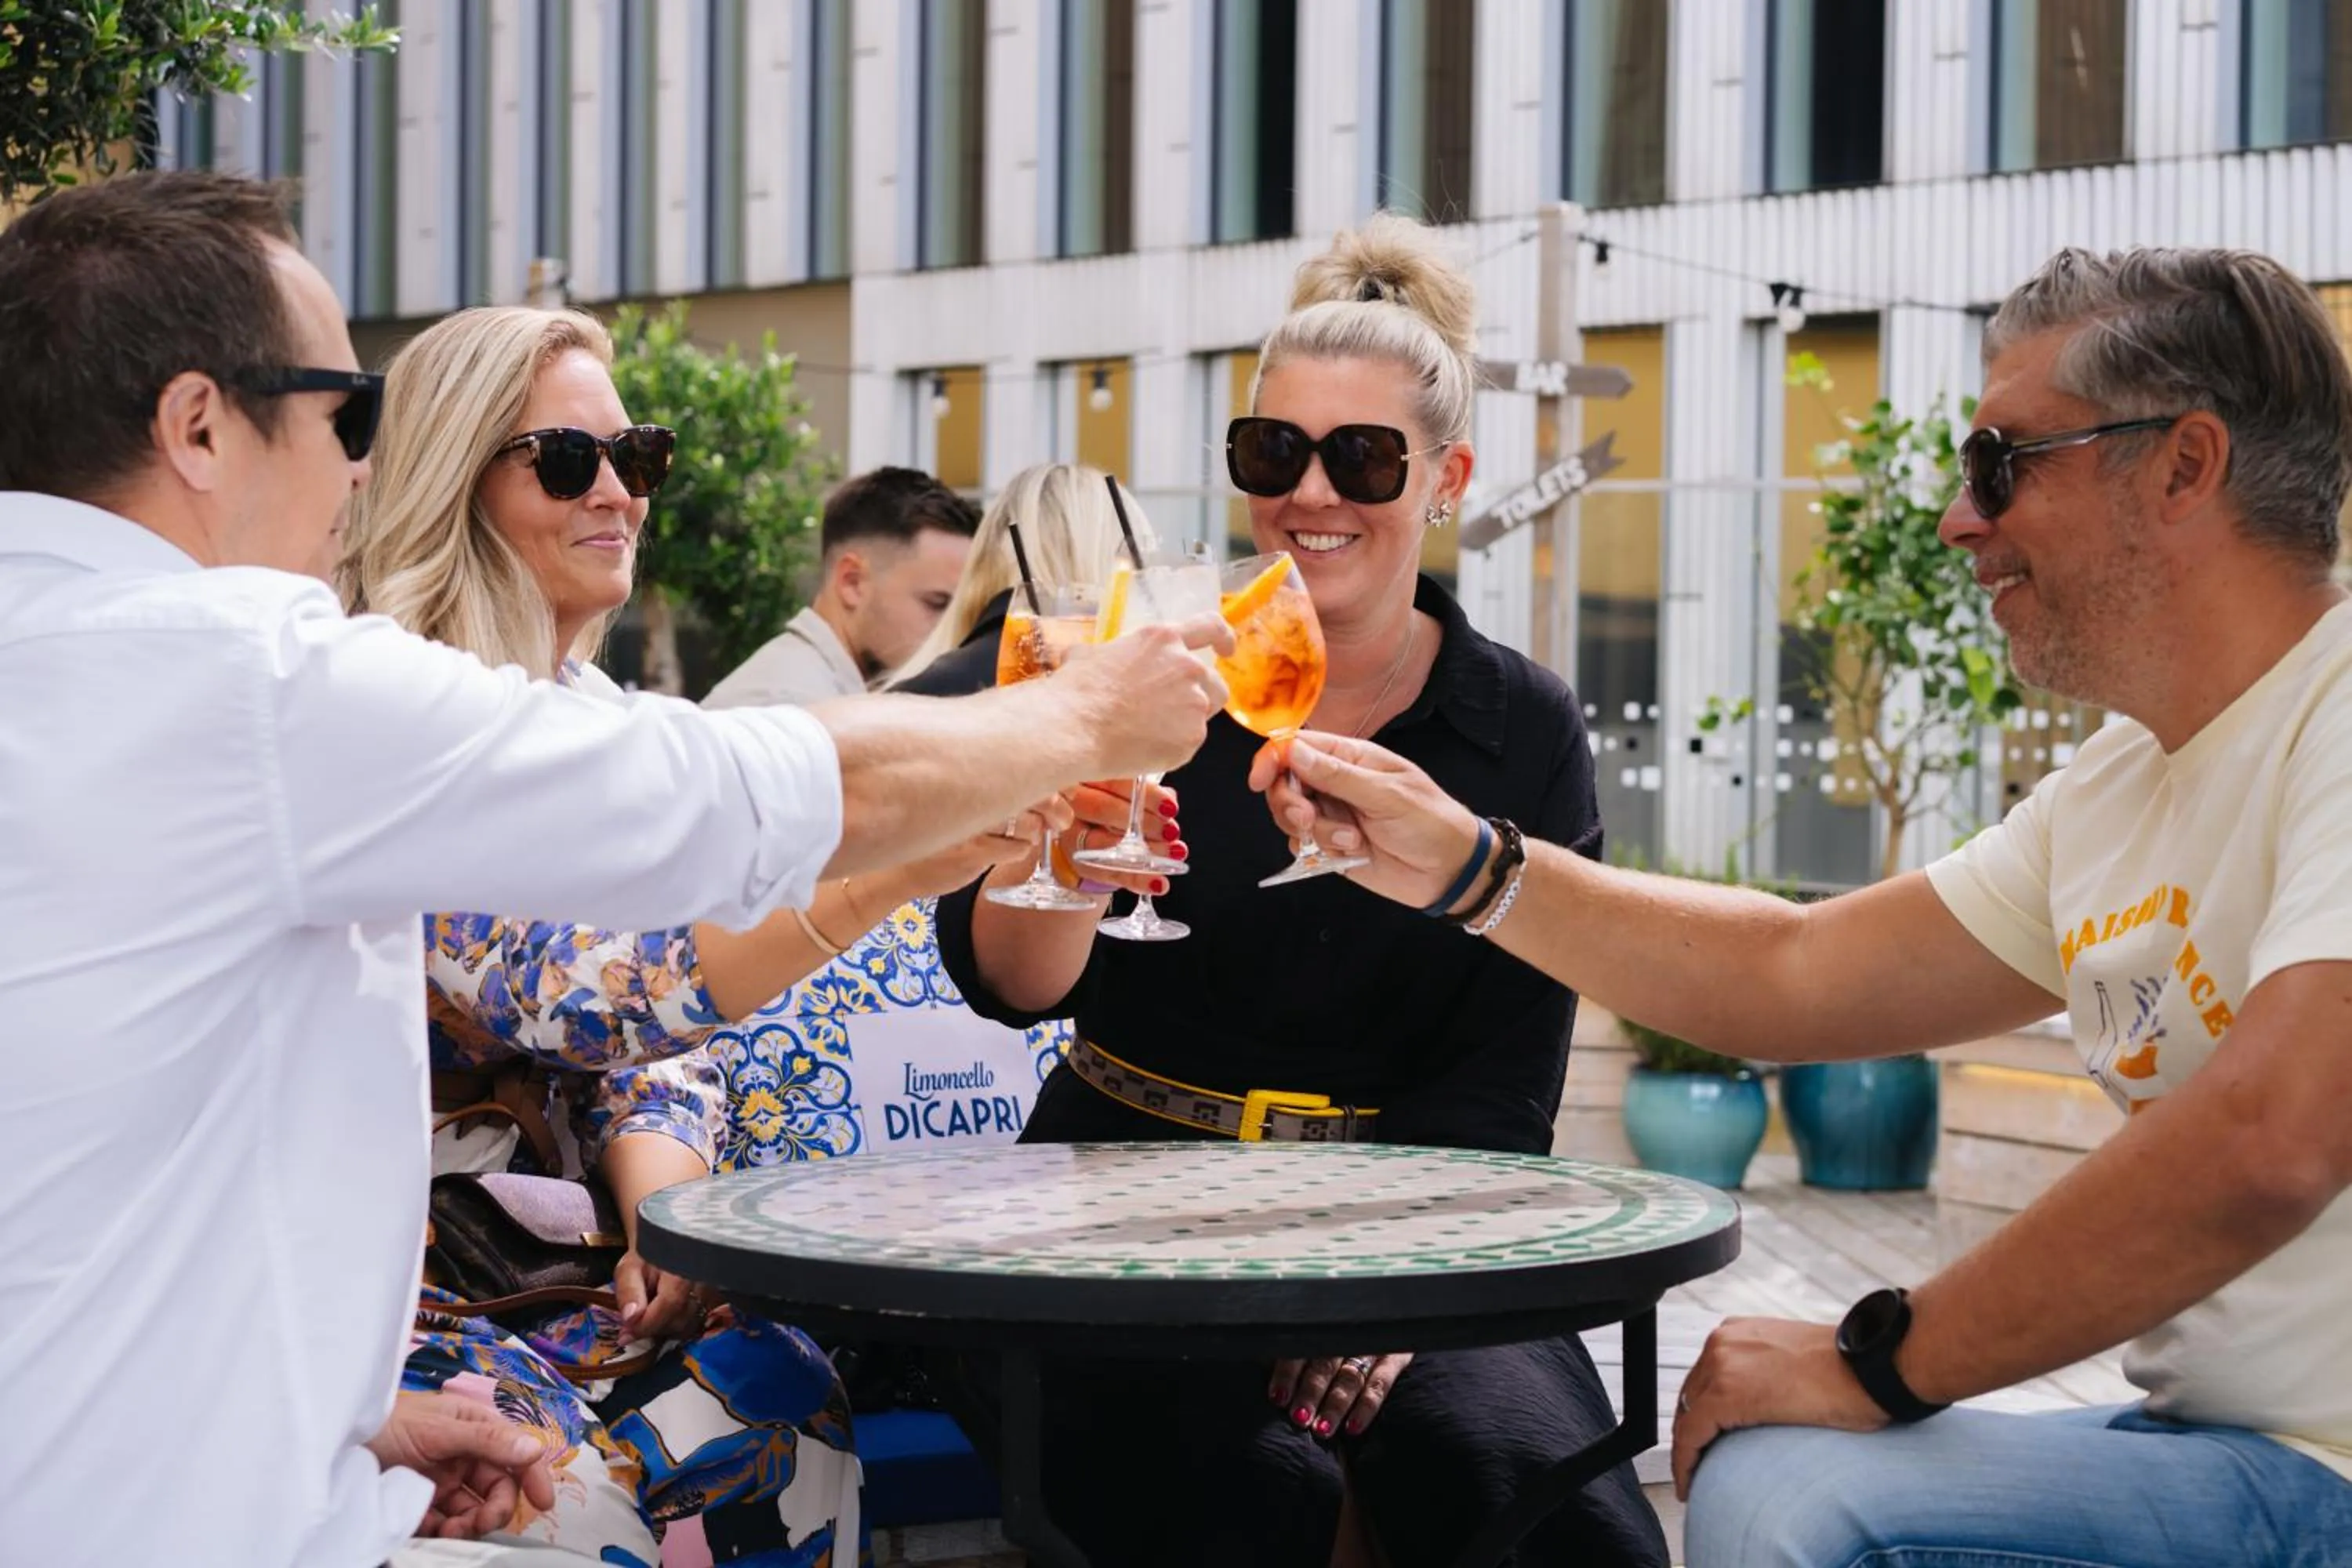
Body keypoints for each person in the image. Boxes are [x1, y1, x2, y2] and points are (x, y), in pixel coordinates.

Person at [0, 169, 1228, 1568]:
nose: (357, 462)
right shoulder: (266, 688)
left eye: (632, 456)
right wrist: (1081, 715)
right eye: (347, 412)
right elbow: (669, 904)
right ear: (201, 425)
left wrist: (352, 1416)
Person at [1254, 246, 2352, 1567]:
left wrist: (1883, 1359)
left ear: (2183, 466)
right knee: (1765, 1455)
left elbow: (2272, 1137)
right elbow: (1800, 973)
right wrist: (1470, 867)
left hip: (2317, 1479)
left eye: (2002, 462)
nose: (1959, 518)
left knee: (1793, 1498)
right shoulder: (2125, 780)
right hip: (2223, 1454)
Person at [933, 215, 1667, 1566]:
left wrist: (1399, 1286)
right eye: (1275, 451)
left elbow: (1507, 1083)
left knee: (1546, 1505)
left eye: (1364, 457)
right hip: (1120, 1194)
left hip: (1418, 1211)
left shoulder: (1518, 726)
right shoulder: (1149, 666)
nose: (1311, 493)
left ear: (1445, 477)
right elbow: (1009, 988)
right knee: (1254, 1500)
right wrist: (1062, 862)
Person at [337, 304, 1056, 1564]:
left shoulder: (604, 712)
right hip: (389, 1295)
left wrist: (666, 1233)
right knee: (571, 1499)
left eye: (640, 457)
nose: (618, 490)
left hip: (557, 1267)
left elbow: (658, 1051)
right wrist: (888, 876)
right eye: (569, 460)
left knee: (779, 1389)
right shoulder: (395, 706)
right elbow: (580, 996)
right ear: (454, 478)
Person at [703, 466, 980, 706]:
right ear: (852, 582)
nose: (954, 630)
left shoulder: (827, 695)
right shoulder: (786, 705)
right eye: (936, 604)